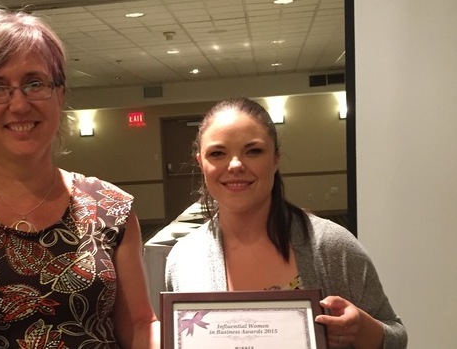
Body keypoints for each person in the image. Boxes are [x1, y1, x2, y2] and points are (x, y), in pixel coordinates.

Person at [0, 6, 159, 349]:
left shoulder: (110, 207)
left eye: (34, 83)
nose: (20, 105)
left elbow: (141, 325)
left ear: (60, 95)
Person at [164, 97, 407, 348]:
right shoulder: (184, 258)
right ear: (201, 163)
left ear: (275, 158)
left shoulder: (331, 246)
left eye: (253, 151)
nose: (235, 164)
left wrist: (361, 329)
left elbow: (397, 337)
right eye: (217, 153)